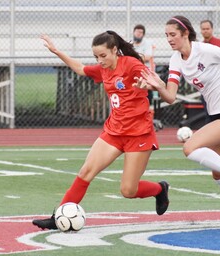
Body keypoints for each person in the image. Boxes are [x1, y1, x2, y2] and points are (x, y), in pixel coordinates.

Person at [32, 31, 169, 230]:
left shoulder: (131, 64)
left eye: (103, 56)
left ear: (115, 50)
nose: (100, 60)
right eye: (96, 57)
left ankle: (159, 189)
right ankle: (59, 216)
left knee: (128, 190)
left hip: (138, 134)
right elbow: (80, 68)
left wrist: (149, 84)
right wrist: (56, 51)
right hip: (113, 132)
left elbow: (160, 84)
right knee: (86, 171)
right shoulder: (103, 69)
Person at [133, 15, 220, 227]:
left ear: (185, 34)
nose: (169, 39)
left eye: (173, 34)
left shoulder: (204, 50)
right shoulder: (176, 59)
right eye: (166, 35)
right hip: (217, 115)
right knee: (219, 173)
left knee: (190, 147)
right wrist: (155, 86)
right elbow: (171, 96)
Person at [132, 24, 156, 105]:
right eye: (137, 32)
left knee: (147, 93)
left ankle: (149, 107)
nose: (138, 34)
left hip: (144, 72)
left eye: (141, 32)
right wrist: (140, 57)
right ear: (133, 32)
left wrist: (133, 59)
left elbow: (148, 56)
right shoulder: (130, 43)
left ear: (143, 34)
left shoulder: (147, 43)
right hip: (133, 72)